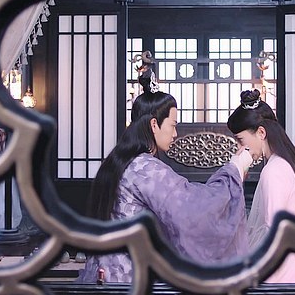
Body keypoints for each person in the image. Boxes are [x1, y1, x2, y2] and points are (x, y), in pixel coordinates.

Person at [76, 68, 253, 283]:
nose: (175, 133)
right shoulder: (143, 168)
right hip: (129, 278)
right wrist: (234, 169)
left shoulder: (120, 162)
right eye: (173, 125)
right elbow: (193, 209)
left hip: (107, 272)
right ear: (154, 124)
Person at [226, 89, 295, 283]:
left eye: (241, 140)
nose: (239, 148)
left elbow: (273, 233)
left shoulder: (274, 171)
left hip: (287, 271)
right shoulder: (291, 163)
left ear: (261, 132)